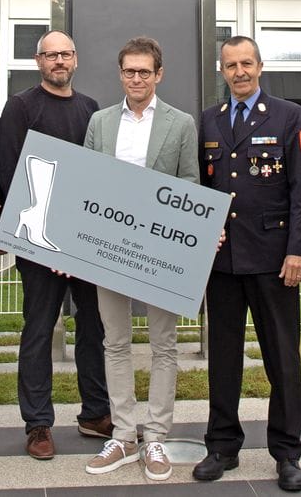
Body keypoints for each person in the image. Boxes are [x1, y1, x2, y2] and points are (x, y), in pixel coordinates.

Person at [192, 35, 301, 492]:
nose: (239, 72)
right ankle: (222, 446)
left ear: (260, 67)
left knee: (282, 359)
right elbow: (201, 189)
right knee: (223, 359)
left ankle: (287, 452)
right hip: (222, 261)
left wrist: (298, 248)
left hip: (273, 259)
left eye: (247, 63)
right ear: (221, 70)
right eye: (231, 65)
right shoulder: (209, 119)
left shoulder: (289, 116)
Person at [84, 36, 199, 481]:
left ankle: (155, 438)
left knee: (163, 345)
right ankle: (124, 433)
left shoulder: (181, 123)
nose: (137, 78)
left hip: (161, 251)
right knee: (114, 342)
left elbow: (189, 184)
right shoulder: (100, 122)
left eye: (144, 72)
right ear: (121, 74)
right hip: (109, 248)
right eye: (130, 71)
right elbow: (90, 184)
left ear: (159, 74)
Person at [0, 30, 111, 461]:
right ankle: (38, 423)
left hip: (84, 243)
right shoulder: (22, 107)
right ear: (38, 61)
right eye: (50, 55)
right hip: (38, 241)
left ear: (75, 59)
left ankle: (95, 412)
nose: (58, 61)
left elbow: (98, 178)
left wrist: (76, 240)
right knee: (39, 330)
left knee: (94, 329)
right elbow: (12, 176)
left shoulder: (90, 109)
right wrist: (54, 243)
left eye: (65, 54)